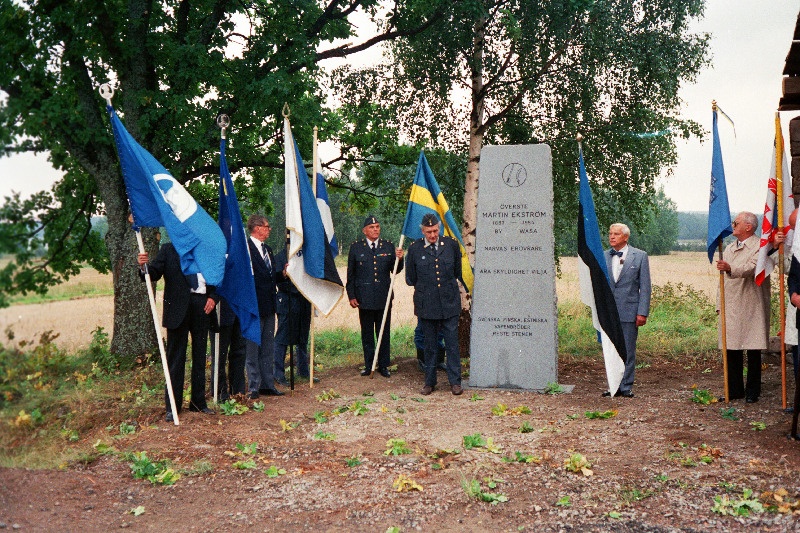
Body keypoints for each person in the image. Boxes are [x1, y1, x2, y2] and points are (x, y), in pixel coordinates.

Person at [137, 242, 218, 421]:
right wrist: (143, 267)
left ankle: (198, 402)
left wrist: (213, 297)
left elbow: (216, 275)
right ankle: (173, 406)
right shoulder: (169, 249)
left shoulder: (204, 247)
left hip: (202, 305)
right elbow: (154, 273)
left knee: (200, 356)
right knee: (176, 358)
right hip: (177, 309)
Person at [405, 213, 465, 396]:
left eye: (435, 230)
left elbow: (457, 272)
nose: (433, 235)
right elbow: (410, 279)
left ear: (439, 228)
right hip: (427, 304)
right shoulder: (414, 249)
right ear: (422, 231)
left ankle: (455, 382)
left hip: (449, 302)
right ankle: (429, 382)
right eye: (429, 232)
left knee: (452, 344)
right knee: (430, 346)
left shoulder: (451, 245)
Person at [716, 211, 769, 403]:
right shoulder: (730, 248)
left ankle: (753, 391)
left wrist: (730, 268)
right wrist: (719, 303)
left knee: (753, 348)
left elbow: (752, 268)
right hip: (730, 304)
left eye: (736, 222)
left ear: (748, 226)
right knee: (731, 348)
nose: (733, 225)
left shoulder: (760, 246)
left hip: (751, 303)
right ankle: (734, 389)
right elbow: (722, 281)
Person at [346, 215, 404, 378]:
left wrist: (400, 258)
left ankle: (384, 365)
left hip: (383, 297)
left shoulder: (388, 246)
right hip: (364, 298)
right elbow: (351, 275)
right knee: (367, 334)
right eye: (372, 227)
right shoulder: (356, 248)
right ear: (365, 231)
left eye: (377, 226)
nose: (375, 229)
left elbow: (396, 270)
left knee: (383, 332)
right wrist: (351, 295)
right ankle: (369, 364)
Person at [603, 223, 651, 398]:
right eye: (610, 233)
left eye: (616, 234)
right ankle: (613, 385)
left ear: (625, 237)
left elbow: (645, 287)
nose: (612, 236)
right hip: (608, 312)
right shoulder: (603, 256)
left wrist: (642, 312)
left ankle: (626, 386)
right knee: (610, 349)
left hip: (629, 310)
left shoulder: (640, 256)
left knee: (628, 349)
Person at [245, 214, 283, 399]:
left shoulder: (267, 250)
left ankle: (268, 384)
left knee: (268, 346)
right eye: (267, 227)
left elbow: (271, 277)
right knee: (253, 348)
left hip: (269, 305)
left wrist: (283, 274)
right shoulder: (246, 249)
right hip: (254, 306)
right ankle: (254, 386)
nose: (269, 230)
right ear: (257, 228)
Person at [273, 248, 317, 385]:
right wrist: (283, 274)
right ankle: (278, 373)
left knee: (303, 337)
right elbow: (275, 279)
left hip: (304, 299)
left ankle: (303, 371)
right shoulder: (281, 256)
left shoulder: (305, 255)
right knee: (283, 337)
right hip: (288, 299)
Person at [210, 297, 246, 402]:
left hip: (239, 309)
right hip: (221, 310)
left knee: (239, 351)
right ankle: (220, 393)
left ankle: (238, 393)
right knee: (219, 355)